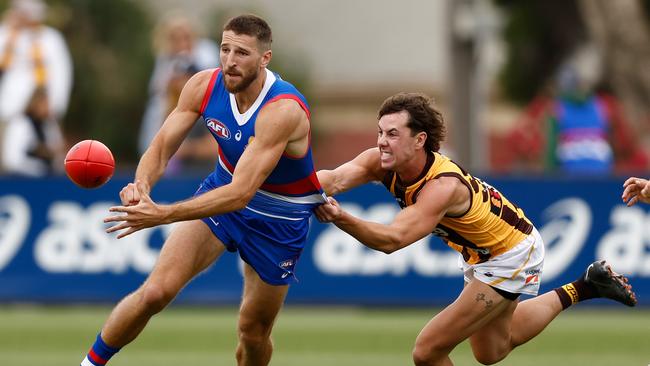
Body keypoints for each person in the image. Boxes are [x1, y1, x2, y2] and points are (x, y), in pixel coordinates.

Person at [315, 92, 637, 366]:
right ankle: (586, 286)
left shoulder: (442, 187)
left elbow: (393, 239)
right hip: (483, 254)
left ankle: (585, 287)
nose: (382, 143)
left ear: (420, 140)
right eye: (380, 133)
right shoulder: (380, 162)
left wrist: (341, 218)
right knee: (491, 352)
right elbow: (333, 179)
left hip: (510, 253)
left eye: (393, 134)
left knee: (427, 351)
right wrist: (282, 186)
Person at [80, 14, 325, 366]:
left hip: (278, 219)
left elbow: (242, 192)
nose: (229, 60)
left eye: (242, 53)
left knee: (253, 333)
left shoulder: (282, 110)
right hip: (221, 195)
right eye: (225, 49)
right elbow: (163, 145)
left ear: (264, 59)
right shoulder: (202, 85)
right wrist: (142, 184)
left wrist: (162, 213)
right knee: (155, 292)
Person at [138, 13, 220, 174]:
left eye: (186, 37)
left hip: (203, 175)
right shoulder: (164, 68)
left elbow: (216, 146)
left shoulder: (211, 101)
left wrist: (187, 149)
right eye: (174, 38)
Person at [0, 0, 72, 176]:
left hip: (43, 107)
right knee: (13, 155)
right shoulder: (5, 35)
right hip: (14, 108)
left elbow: (62, 73)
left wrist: (55, 104)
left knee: (52, 153)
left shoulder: (51, 38)